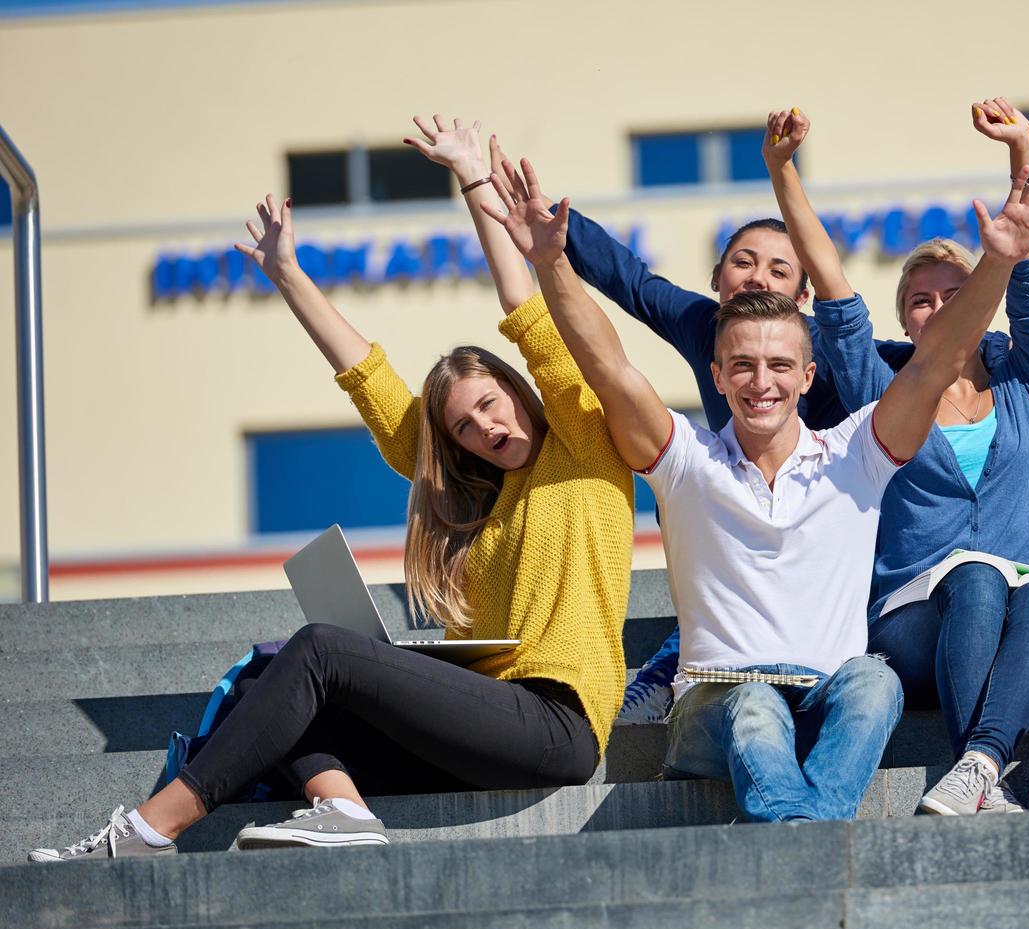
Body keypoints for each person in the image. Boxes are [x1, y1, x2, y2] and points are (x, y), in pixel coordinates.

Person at [27, 116, 632, 862]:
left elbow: (530, 317)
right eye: (466, 427)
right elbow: (371, 383)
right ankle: (342, 813)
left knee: (318, 651)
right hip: (484, 724)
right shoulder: (479, 500)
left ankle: (147, 831)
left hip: (553, 722)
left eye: (490, 404)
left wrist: (472, 179)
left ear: (517, 388)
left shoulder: (584, 446)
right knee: (262, 690)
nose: (484, 428)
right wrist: (288, 274)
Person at [481, 152, 1029, 822]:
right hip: (717, 707)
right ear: (718, 376)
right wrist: (552, 263)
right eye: (743, 366)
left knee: (874, 680)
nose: (763, 382)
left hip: (826, 701)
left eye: (780, 365)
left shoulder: (855, 456)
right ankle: (806, 835)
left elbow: (933, 364)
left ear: (809, 376)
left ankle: (793, 830)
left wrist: (998, 264)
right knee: (755, 701)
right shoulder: (685, 461)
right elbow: (606, 366)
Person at [763, 104, 1029, 816]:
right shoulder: (880, 387)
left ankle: (978, 765)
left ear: (981, 300)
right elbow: (832, 285)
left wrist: (1020, 148)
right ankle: (983, 763)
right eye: (919, 301)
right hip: (913, 617)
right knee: (976, 577)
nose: (936, 308)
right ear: (904, 321)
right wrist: (783, 171)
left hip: (1019, 619)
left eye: (954, 293)